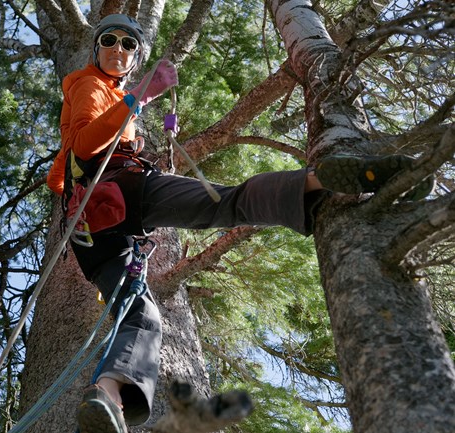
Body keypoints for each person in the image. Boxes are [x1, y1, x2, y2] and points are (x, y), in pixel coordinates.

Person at [46, 13, 432, 433]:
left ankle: (107, 398)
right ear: (95, 46)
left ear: (136, 55)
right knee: (227, 203)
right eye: (110, 40)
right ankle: (322, 181)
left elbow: (59, 176)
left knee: (142, 316)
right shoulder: (89, 85)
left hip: (91, 237)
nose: (119, 49)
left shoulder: (103, 92)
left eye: (129, 44)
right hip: (123, 192)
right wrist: (137, 98)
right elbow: (84, 146)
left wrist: (119, 142)